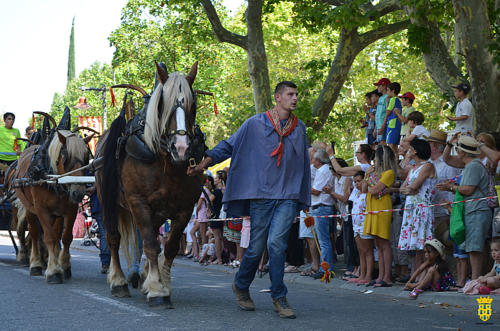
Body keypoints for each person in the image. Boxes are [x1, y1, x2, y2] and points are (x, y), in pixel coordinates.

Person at [188, 81, 311, 319]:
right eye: (290, 94)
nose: (295, 98)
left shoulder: (300, 128)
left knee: (277, 245)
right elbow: (229, 145)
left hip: (287, 196)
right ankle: (241, 285)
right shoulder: (256, 124)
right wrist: (204, 163)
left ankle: (279, 296)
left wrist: (303, 197)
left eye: (297, 94)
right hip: (262, 196)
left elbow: (303, 166)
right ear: (277, 97)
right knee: (254, 249)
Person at [438, 135, 491, 280]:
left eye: (457, 148)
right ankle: (475, 280)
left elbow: (467, 189)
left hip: (477, 211)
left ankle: (475, 280)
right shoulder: (471, 164)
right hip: (473, 210)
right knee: (473, 248)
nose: (456, 152)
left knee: (475, 248)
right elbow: (447, 159)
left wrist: (450, 187)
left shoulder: (473, 166)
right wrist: (449, 144)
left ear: (462, 152)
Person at [398, 138, 437, 270]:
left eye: (410, 149)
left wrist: (409, 189)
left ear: (415, 150)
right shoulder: (413, 168)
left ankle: (423, 274)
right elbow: (402, 188)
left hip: (421, 208)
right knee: (414, 246)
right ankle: (416, 274)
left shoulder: (428, 166)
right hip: (411, 208)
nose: (408, 151)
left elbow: (413, 187)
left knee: (423, 244)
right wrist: (408, 189)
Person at [362, 145, 397, 287]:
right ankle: (380, 276)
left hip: (382, 209)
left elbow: (375, 190)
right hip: (372, 208)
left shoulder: (388, 173)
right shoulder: (375, 173)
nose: (373, 161)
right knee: (378, 244)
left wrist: (369, 178)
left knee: (384, 243)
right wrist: (368, 176)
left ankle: (387, 277)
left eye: (375, 158)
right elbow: (365, 189)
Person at [310, 149, 335, 279]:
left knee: (324, 240)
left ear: (318, 161)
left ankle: (326, 268)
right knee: (322, 240)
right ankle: (324, 266)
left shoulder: (323, 170)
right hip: (320, 207)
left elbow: (316, 191)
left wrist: (304, 188)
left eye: (314, 159)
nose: (312, 161)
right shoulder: (322, 170)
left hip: (322, 207)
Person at [348, 171, 373, 285]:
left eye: (359, 181)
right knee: (361, 251)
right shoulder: (356, 193)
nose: (357, 184)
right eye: (355, 182)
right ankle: (362, 274)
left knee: (367, 251)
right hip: (356, 226)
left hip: (364, 225)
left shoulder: (368, 194)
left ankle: (368, 275)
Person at [209, 171, 225, 264]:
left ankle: (219, 259)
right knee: (220, 237)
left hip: (215, 215)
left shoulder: (216, 191)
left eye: (216, 178)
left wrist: (209, 209)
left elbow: (209, 200)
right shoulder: (224, 190)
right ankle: (220, 258)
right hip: (222, 214)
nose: (214, 180)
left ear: (219, 180)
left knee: (217, 237)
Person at [385, 82, 403, 156]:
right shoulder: (398, 100)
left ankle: (389, 163)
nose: (387, 92)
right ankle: (396, 163)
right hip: (397, 125)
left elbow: (387, 112)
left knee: (390, 146)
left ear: (393, 91)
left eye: (388, 90)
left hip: (392, 125)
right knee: (395, 147)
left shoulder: (393, 99)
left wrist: (387, 102)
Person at [374, 78, 390, 144]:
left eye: (379, 86)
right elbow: (378, 114)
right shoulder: (380, 98)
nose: (377, 88)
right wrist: (375, 128)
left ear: (384, 86)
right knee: (379, 143)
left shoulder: (388, 97)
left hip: (384, 125)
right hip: (378, 125)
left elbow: (387, 112)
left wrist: (383, 126)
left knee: (383, 144)